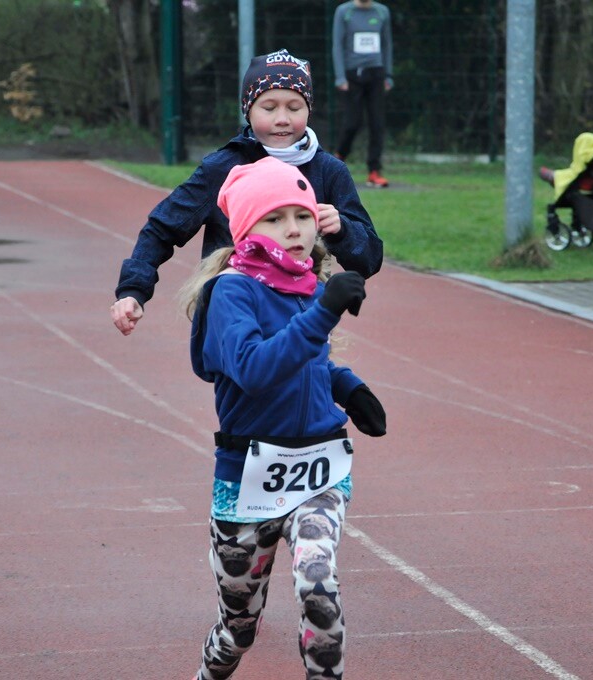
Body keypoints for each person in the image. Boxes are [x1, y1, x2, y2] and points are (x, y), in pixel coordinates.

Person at [178, 156, 386, 680]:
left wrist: (347, 386)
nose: (294, 229)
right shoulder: (231, 292)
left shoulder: (309, 283)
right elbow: (254, 369)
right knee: (238, 629)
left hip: (319, 465)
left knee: (318, 585)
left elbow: (312, 362)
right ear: (247, 227)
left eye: (301, 214)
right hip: (246, 475)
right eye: (275, 219)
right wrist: (323, 313)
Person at [111, 48, 383, 337]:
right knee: (257, 372)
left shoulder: (328, 172)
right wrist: (133, 289)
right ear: (248, 109)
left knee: (307, 378)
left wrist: (342, 230)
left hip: (303, 319)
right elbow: (162, 228)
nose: (282, 119)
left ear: (309, 110)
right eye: (269, 108)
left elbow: (369, 259)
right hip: (235, 318)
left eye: (294, 108)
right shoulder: (221, 168)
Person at [332, 0, 393, 188]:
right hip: (352, 75)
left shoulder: (382, 12)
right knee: (352, 123)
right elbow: (337, 44)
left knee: (377, 123)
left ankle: (374, 170)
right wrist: (340, 76)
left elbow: (386, 45)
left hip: (376, 73)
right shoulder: (344, 12)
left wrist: (388, 75)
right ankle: (338, 159)